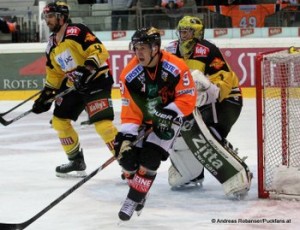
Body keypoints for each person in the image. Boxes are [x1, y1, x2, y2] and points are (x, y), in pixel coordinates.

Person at [114, 26, 196, 221]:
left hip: (170, 118)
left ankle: (133, 198)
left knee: (150, 158)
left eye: (143, 47)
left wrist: (167, 114)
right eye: (136, 47)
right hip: (143, 120)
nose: (138, 52)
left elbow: (188, 99)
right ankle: (139, 190)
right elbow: (130, 111)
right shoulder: (129, 75)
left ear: (155, 48)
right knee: (125, 156)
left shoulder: (176, 67)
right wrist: (126, 137)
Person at [32, 1, 118, 177]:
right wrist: (46, 95)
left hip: (96, 81)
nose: (47, 20)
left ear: (61, 17)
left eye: (50, 16)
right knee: (59, 121)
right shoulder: (51, 46)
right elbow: (54, 74)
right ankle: (76, 160)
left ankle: (129, 164)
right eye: (45, 16)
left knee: (103, 126)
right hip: (75, 87)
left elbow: (99, 50)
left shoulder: (76, 31)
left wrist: (85, 68)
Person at [165, 15, 243, 189]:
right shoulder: (170, 50)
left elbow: (224, 79)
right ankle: (193, 173)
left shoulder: (208, 50)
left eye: (187, 31)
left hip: (227, 100)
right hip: (197, 104)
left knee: (210, 136)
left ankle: (234, 168)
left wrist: (209, 94)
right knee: (178, 134)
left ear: (197, 33)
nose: (183, 34)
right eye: (181, 31)